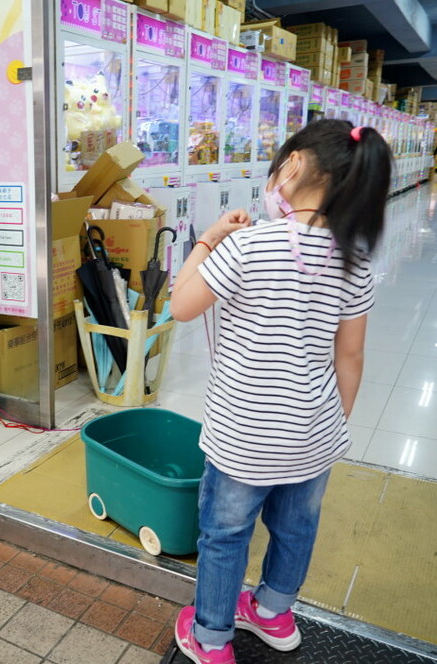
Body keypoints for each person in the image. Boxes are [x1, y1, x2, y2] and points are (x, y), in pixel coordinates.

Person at [168, 119, 392, 664]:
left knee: (225, 535)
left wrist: (207, 239)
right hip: (314, 434)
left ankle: (213, 638)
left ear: (292, 165)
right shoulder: (353, 259)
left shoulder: (249, 245)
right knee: (296, 528)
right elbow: (351, 354)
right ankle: (271, 613)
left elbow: (181, 304)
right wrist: (333, 420)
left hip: (244, 437)